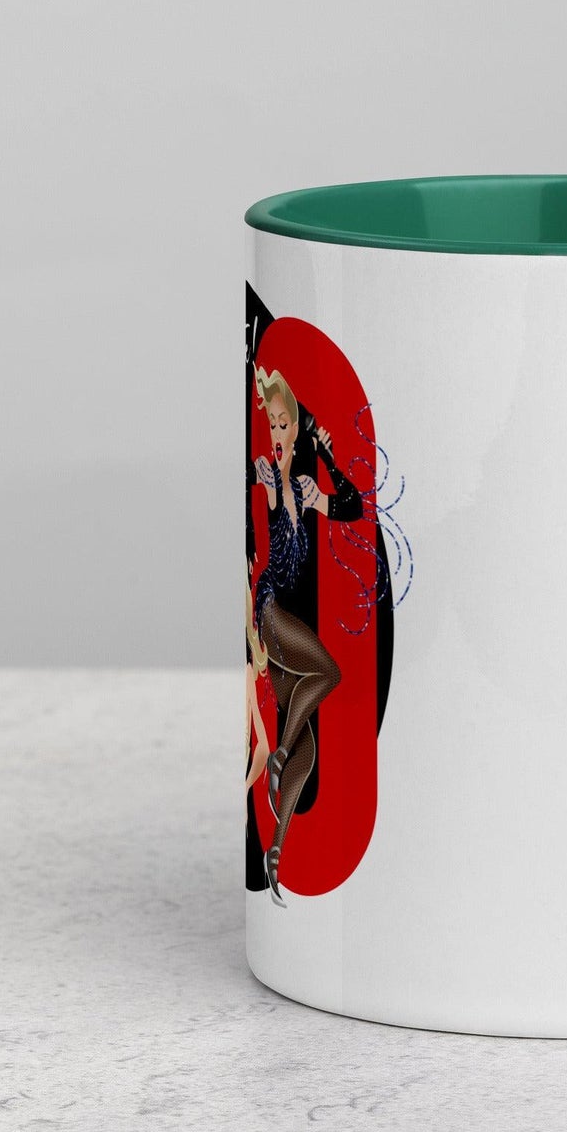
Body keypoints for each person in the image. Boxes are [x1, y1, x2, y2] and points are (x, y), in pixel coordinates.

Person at [249, 366, 364, 902]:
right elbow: (254, 480)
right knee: (330, 672)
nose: (274, 435)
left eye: (281, 425)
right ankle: (277, 757)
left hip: (292, 629)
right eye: (269, 425)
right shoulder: (273, 480)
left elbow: (353, 506)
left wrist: (330, 459)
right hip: (273, 613)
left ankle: (276, 851)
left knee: (308, 753)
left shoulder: (305, 486)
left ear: (295, 428)